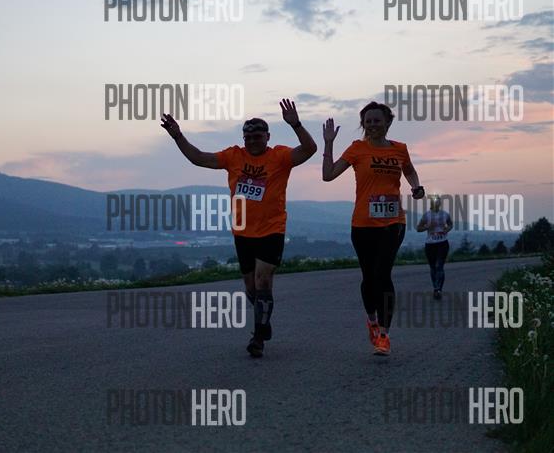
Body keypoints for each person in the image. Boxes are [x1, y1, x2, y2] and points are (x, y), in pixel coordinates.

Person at [160, 99, 317, 358]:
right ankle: (263, 319)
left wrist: (296, 125)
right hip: (243, 231)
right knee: (251, 287)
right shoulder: (233, 156)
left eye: (257, 137)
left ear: (267, 137)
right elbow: (199, 158)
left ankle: (258, 336)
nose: (252, 141)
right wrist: (178, 136)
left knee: (263, 280)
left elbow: (310, 149)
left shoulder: (279, 157)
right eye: (248, 138)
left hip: (272, 228)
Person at [321, 102, 424, 356]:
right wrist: (328, 143)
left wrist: (416, 187)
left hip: (393, 222)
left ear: (387, 122)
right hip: (363, 223)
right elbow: (328, 175)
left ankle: (384, 335)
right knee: (369, 277)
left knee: (383, 274)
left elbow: (409, 171)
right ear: (363, 124)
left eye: (377, 120)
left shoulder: (400, 149)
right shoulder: (357, 149)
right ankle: (372, 321)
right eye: (368, 121)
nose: (372, 125)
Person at [416, 195, 453, 300]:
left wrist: (447, 229)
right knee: (433, 267)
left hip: (442, 243)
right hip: (430, 244)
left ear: (440, 203)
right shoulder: (426, 215)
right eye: (434, 201)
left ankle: (438, 289)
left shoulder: (445, 214)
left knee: (439, 266)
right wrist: (427, 227)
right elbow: (418, 228)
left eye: (438, 201)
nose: (436, 203)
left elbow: (450, 224)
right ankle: (435, 288)